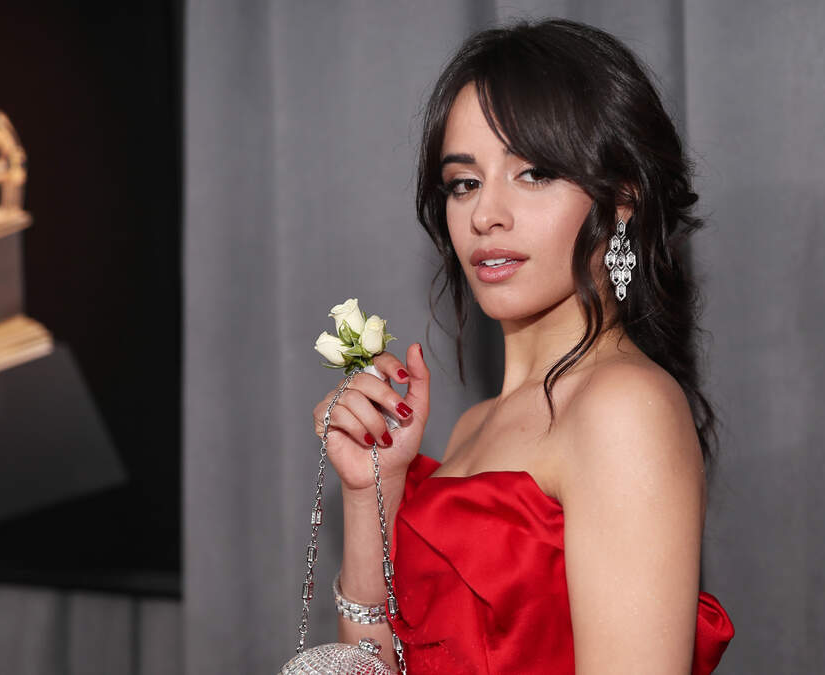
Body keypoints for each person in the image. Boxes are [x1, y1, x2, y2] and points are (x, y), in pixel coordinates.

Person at [312, 18, 734, 674]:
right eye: (464, 182)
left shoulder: (623, 407)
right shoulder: (475, 425)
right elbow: (368, 666)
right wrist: (372, 491)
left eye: (534, 173)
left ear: (622, 200)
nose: (485, 215)